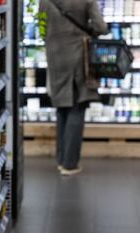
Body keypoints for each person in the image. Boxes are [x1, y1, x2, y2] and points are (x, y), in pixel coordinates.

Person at [39, 0, 109, 175]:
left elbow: (41, 28)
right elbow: (101, 26)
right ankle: (70, 164)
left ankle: (61, 159)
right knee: (77, 107)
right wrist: (89, 31)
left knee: (62, 108)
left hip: (55, 55)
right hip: (78, 56)